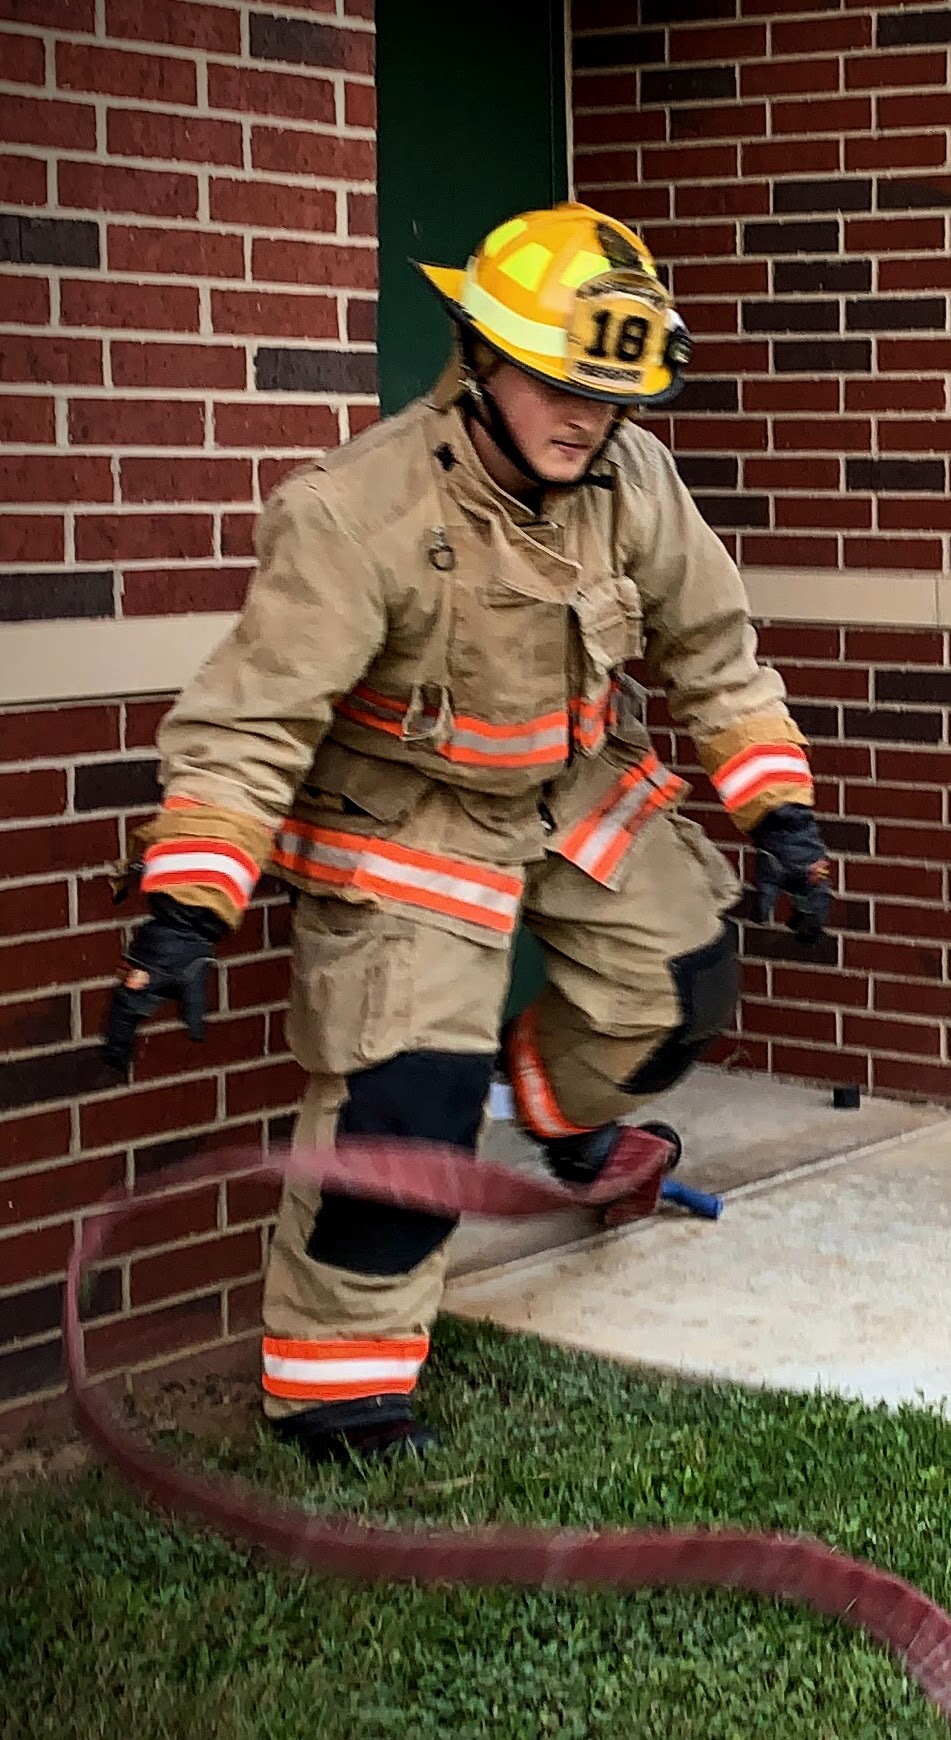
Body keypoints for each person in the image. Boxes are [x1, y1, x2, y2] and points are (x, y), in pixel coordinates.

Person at [100, 204, 832, 1463]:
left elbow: (714, 653)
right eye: (557, 382)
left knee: (689, 975)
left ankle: (554, 1110)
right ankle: (338, 1395)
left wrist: (782, 815)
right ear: (478, 356)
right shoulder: (354, 513)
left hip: (571, 788)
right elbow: (248, 724)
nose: (585, 418)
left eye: (610, 396)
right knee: (410, 1109)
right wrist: (186, 904)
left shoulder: (633, 480)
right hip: (408, 826)